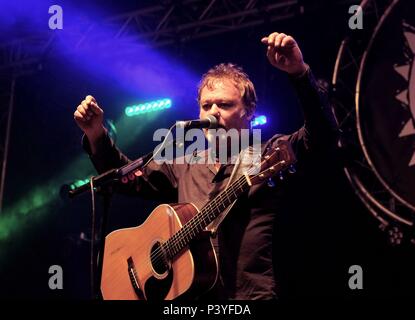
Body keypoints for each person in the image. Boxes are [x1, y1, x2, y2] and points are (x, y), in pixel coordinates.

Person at [74, 32, 338, 299]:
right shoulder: (185, 164)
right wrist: (97, 135)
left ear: (249, 110)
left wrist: (299, 73)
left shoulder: (268, 153)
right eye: (206, 105)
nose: (213, 112)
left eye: (224, 104)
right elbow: (126, 177)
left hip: (248, 296)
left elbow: (323, 135)